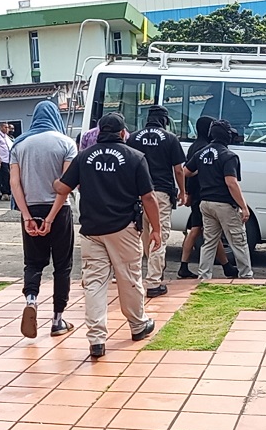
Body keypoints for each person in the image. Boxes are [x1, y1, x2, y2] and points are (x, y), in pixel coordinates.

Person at [54, 113, 160, 359]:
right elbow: (149, 197)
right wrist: (155, 228)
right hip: (123, 228)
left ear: (100, 132)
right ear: (123, 133)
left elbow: (63, 188)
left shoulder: (83, 157)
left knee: (94, 284)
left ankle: (96, 340)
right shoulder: (135, 157)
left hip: (91, 231)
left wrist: (53, 182)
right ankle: (137, 325)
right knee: (129, 277)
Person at [10, 101, 77, 338]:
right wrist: (50, 218)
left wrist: (26, 215)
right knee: (63, 266)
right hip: (58, 211)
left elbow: (15, 183)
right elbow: (66, 185)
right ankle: (58, 320)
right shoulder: (66, 143)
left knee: (33, 262)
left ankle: (31, 299)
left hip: (31, 208)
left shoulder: (19, 145)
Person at [127, 105, 186, 297]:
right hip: (160, 193)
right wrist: (183, 192)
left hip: (136, 193)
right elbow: (178, 169)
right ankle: (153, 283)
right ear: (165, 121)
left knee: (141, 237)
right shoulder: (170, 138)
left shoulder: (133, 137)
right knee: (159, 236)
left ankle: (138, 280)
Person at [184, 119, 253, 279]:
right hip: (224, 204)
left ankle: (204, 276)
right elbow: (231, 183)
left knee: (209, 242)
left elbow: (186, 171)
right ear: (227, 136)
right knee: (239, 241)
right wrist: (243, 206)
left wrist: (201, 173)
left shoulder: (201, 153)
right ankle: (246, 276)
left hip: (205, 203)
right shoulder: (229, 156)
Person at [0, 122, 13, 201]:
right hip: (2, 159)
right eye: (5, 127)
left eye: (7, 127)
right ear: (1, 127)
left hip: (8, 159)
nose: (7, 129)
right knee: (5, 175)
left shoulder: (6, 137)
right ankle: (4, 192)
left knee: (9, 176)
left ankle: (8, 192)